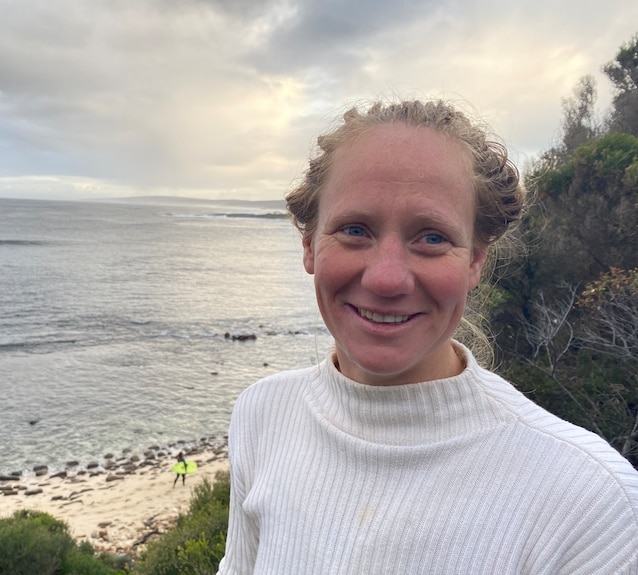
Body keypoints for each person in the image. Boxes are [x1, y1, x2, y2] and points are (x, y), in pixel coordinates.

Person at [217, 99, 638, 574]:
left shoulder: (596, 507)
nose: (387, 279)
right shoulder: (263, 414)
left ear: (475, 260)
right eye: (355, 230)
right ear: (309, 244)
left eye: (432, 237)